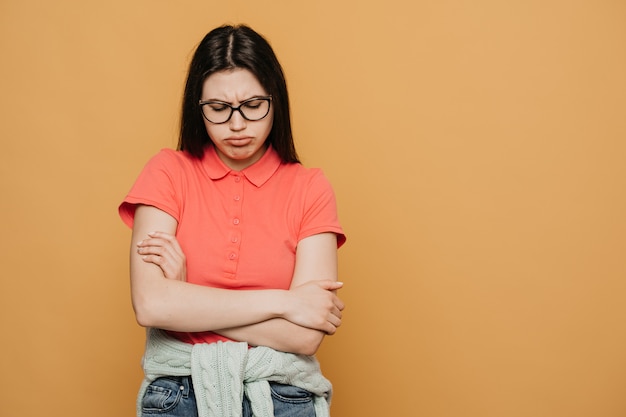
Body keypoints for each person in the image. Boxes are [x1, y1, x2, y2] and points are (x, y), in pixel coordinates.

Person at [118, 24, 346, 417]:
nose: (237, 125)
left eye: (253, 105)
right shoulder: (167, 172)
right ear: (197, 107)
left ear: (276, 100)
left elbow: (305, 335)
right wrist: (285, 302)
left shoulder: (310, 187)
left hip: (281, 398)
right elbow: (152, 305)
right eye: (219, 109)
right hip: (178, 395)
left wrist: (187, 297)